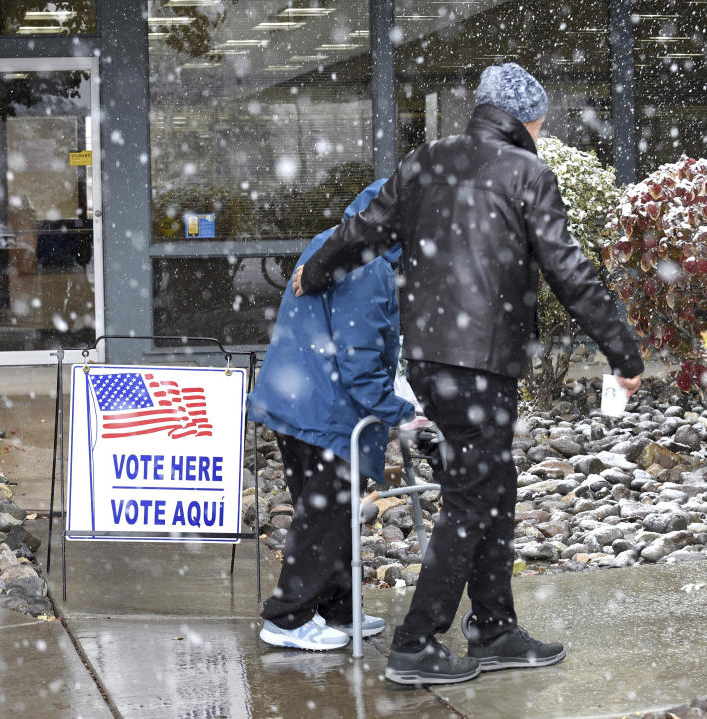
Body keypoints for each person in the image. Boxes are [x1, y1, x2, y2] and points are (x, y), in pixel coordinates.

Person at [291, 63, 645, 684]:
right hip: (482, 363)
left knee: (492, 485)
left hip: (430, 360)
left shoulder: (428, 160)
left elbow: (364, 231)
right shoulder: (528, 173)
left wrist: (316, 269)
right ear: (530, 120)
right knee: (473, 496)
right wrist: (624, 354)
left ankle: (494, 626)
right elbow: (570, 273)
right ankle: (415, 641)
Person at [247, 179, 415, 651]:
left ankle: (334, 608)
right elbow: (360, 363)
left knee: (326, 513)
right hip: (329, 414)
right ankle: (288, 618)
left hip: (297, 402)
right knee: (326, 518)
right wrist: (403, 411)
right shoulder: (371, 267)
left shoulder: (328, 243)